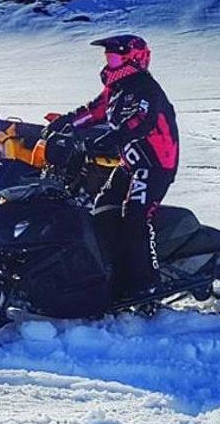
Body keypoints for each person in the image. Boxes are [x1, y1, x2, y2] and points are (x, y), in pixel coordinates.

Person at [44, 34, 179, 300]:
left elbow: (140, 121)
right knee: (103, 210)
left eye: (115, 58)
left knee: (135, 216)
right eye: (108, 58)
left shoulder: (145, 89)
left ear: (134, 59)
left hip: (155, 166)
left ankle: (146, 285)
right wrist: (64, 124)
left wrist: (110, 138)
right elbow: (92, 112)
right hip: (131, 165)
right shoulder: (116, 90)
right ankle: (113, 274)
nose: (110, 63)